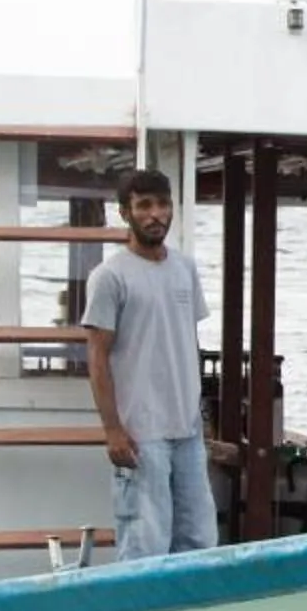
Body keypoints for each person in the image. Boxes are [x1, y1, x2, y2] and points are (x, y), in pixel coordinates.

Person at [83, 169, 216, 561]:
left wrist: (199, 410)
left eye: (162, 204)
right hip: (142, 434)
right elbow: (96, 355)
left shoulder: (184, 269)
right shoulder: (110, 277)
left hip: (187, 429)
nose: (156, 214)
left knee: (198, 540)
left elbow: (186, 341)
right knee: (145, 544)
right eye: (144, 206)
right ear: (125, 213)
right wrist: (112, 430)